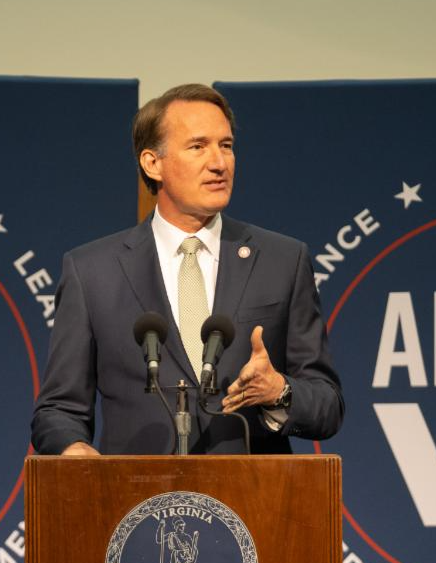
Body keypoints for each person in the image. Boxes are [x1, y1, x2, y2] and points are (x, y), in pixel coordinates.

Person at [31, 83, 342, 455]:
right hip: (137, 490)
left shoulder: (282, 261)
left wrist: (279, 392)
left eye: (226, 145)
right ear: (153, 163)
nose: (219, 163)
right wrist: (73, 448)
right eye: (198, 146)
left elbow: (327, 404)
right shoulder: (92, 272)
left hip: (252, 490)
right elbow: (58, 410)